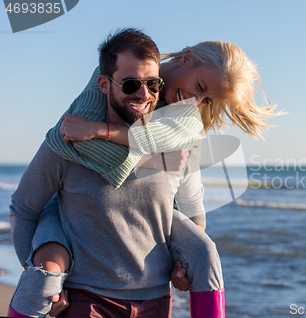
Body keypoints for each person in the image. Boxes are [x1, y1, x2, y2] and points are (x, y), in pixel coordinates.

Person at [9, 29, 279, 318]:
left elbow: (192, 214)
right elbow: (25, 208)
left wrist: (181, 262)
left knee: (205, 252)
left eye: (206, 99)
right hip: (86, 299)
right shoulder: (73, 138)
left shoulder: (183, 141)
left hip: (155, 301)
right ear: (104, 84)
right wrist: (43, 278)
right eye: (130, 85)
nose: (194, 101)